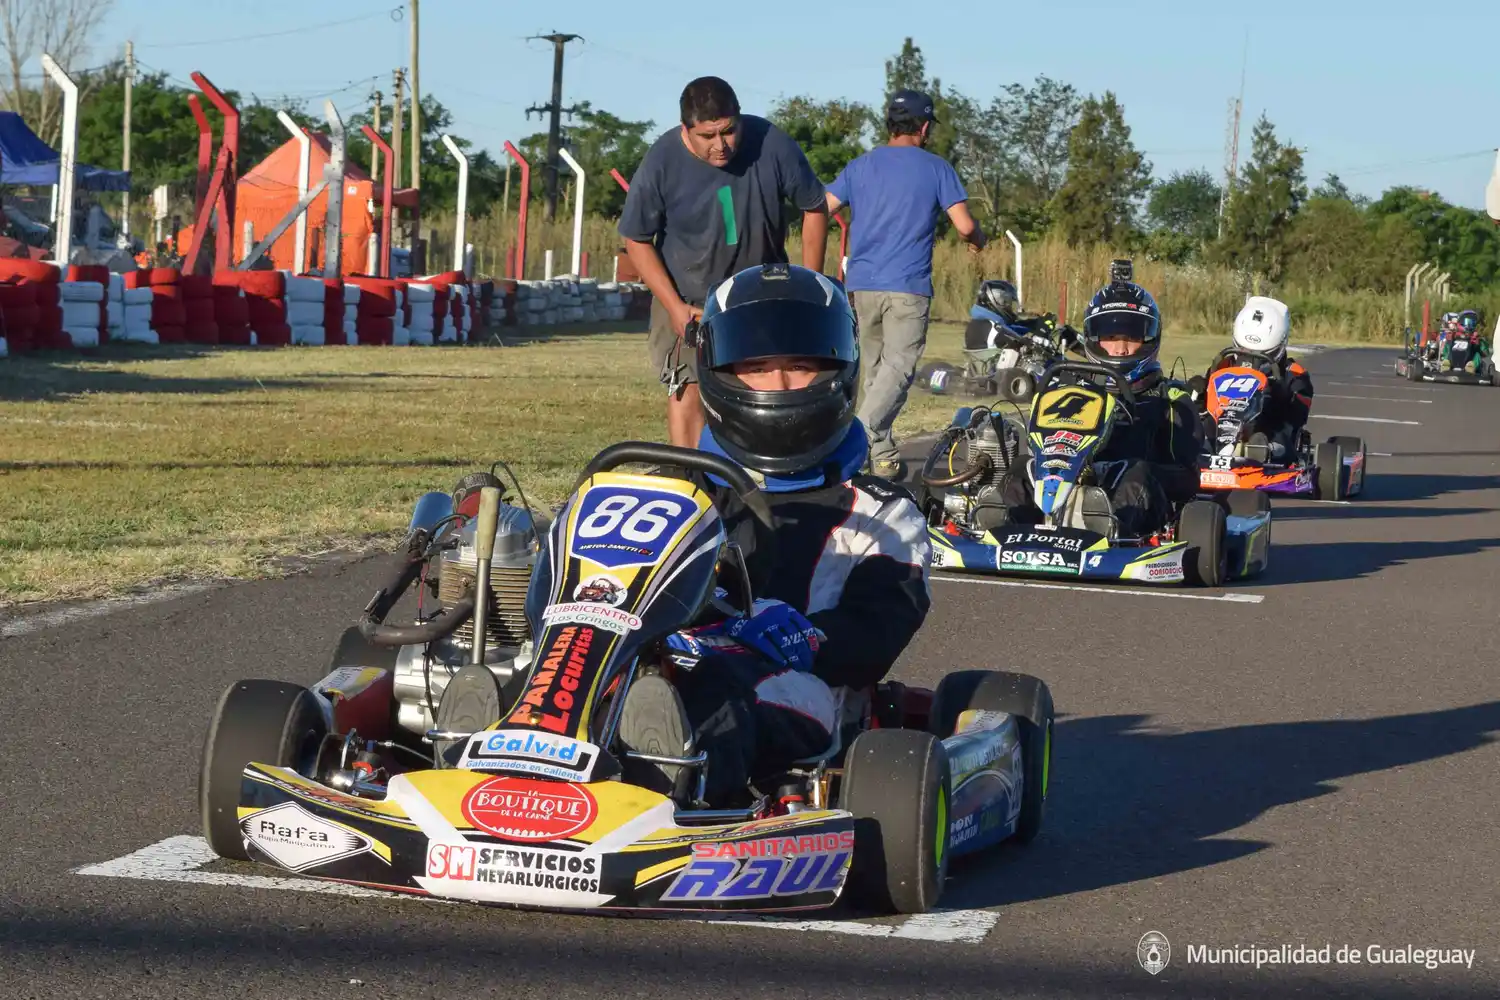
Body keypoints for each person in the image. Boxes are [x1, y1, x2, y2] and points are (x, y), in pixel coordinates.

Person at [616, 262, 933, 807]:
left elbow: (875, 636)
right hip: (657, 663)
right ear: (719, 373)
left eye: (802, 366)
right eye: (757, 368)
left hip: (797, 686)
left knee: (719, 691)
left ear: (839, 371)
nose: (780, 386)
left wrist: (802, 637)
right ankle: (493, 748)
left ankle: (665, 795)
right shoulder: (673, 489)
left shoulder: (881, 514)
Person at [618, 76, 831, 449]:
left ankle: (770, 484)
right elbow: (635, 239)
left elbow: (814, 206)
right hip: (690, 299)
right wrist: (675, 307)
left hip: (759, 297)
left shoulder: (772, 142)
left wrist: (809, 284)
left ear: (739, 119)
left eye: (729, 132)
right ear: (687, 130)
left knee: (769, 393)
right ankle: (693, 486)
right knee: (688, 392)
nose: (721, 145)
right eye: (707, 136)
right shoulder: (662, 161)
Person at [823, 89, 988, 478]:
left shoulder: (861, 165)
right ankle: (854, 440)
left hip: (861, 285)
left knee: (876, 372)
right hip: (907, 285)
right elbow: (964, 225)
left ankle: (882, 459)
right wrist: (978, 239)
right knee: (898, 369)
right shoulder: (936, 168)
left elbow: (824, 206)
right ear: (924, 126)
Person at [993, 277, 1203, 538]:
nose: (1121, 349)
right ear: (1093, 338)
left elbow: (1188, 479)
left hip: (1130, 494)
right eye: (1111, 337)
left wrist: (1140, 469)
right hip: (1063, 477)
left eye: (1132, 338)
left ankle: (1109, 530)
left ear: (1149, 339)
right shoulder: (1066, 386)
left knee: (1136, 474)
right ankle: (1006, 528)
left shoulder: (1168, 398)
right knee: (1022, 467)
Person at [1195, 296, 1313, 461]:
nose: (1249, 361)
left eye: (1261, 356)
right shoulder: (1223, 365)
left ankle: (1262, 451)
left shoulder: (1294, 373)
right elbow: (1206, 406)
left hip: (1268, 429)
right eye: (1243, 351)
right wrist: (1197, 393)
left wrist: (1280, 396)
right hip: (1221, 425)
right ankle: (1203, 447)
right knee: (1201, 426)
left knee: (1277, 435)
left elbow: (1297, 418)